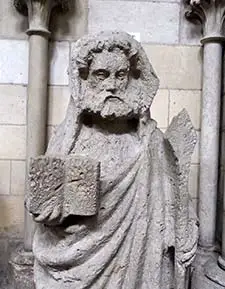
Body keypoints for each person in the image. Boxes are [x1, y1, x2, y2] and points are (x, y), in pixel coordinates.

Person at [27, 31, 198, 289]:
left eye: (121, 75)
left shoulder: (150, 143)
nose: (112, 85)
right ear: (85, 79)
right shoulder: (68, 139)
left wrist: (185, 226)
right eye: (101, 75)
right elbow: (41, 204)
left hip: (138, 267)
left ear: (132, 78)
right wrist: (50, 211)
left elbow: (175, 204)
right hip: (75, 266)